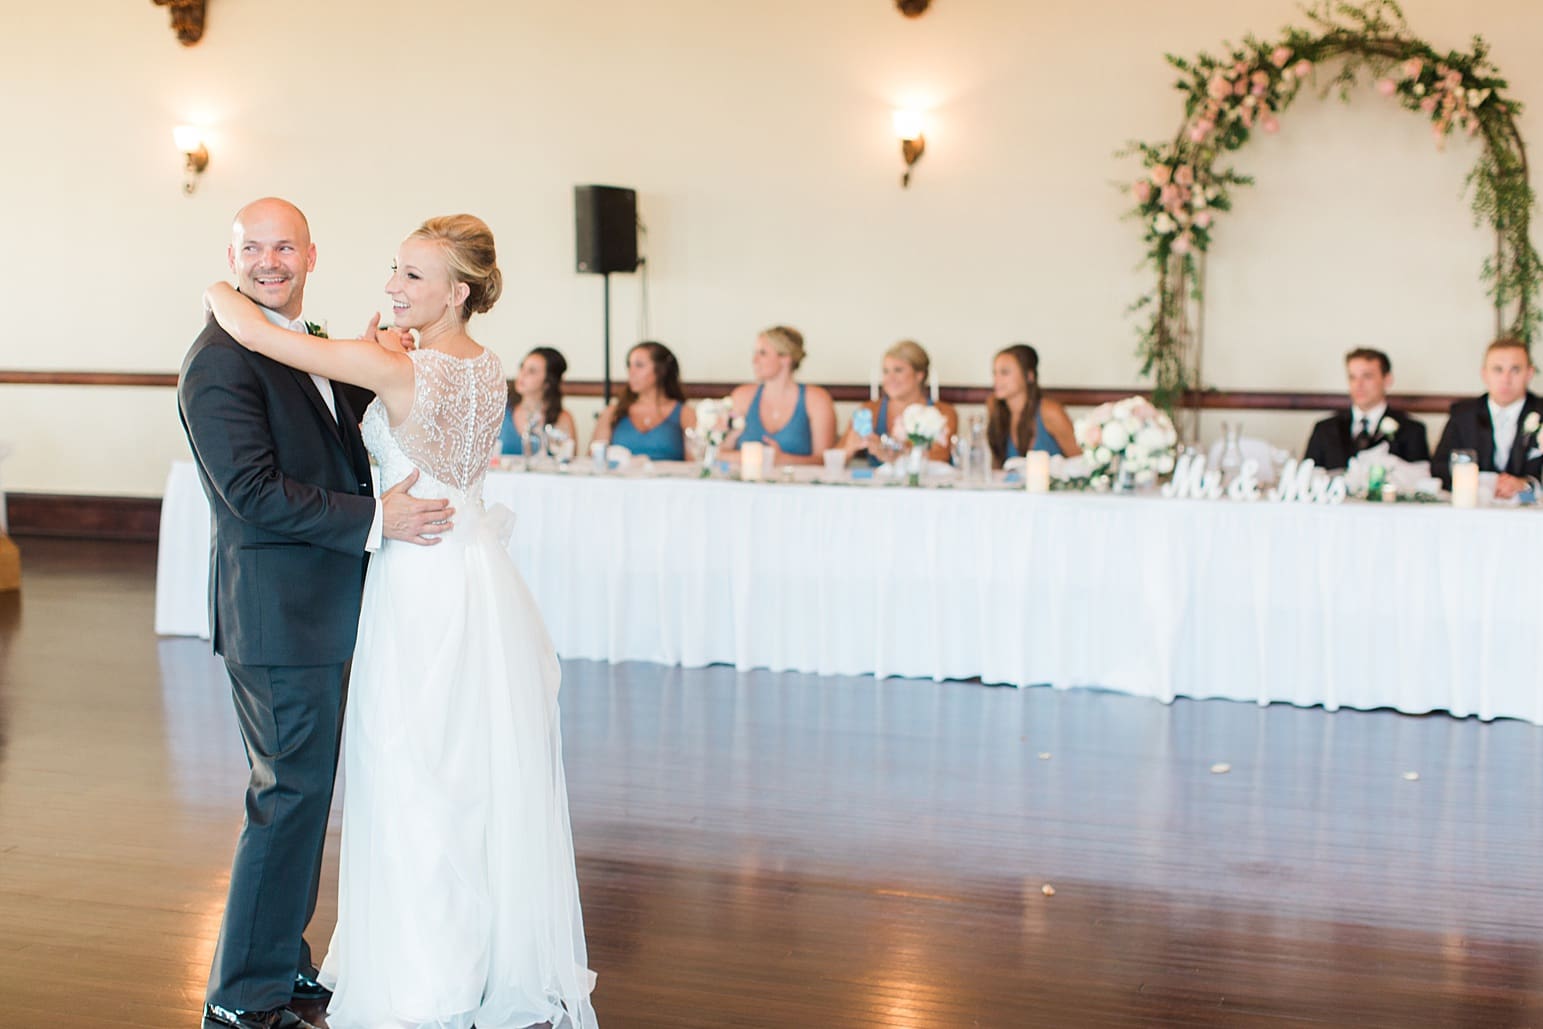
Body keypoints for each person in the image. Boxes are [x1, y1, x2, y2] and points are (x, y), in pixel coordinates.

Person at [204, 214, 598, 1029]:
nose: (392, 285)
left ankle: (404, 965)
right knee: (454, 777)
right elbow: (259, 474)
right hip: (460, 577)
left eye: (413, 276)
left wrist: (220, 289)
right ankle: (262, 985)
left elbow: (259, 329)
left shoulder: (393, 364)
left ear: (457, 292)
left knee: (415, 776)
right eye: (394, 268)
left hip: (418, 584)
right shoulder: (477, 366)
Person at [179, 198, 453, 1029]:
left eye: (284, 246)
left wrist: (365, 373)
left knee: (303, 792)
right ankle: (240, 991)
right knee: (286, 793)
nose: (269, 260)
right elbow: (254, 494)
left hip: (318, 606)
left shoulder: (296, 344)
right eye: (252, 248)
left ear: (310, 255)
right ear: (232, 256)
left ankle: (283, 962)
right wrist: (378, 521)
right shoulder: (221, 362)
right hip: (275, 613)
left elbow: (329, 449)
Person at [1431, 337, 1543, 496]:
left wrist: (1528, 485)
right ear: (1484, 374)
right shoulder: (1463, 414)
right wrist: (1485, 482)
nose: (1506, 379)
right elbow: (1439, 466)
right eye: (1498, 369)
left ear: (1529, 373)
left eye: (1515, 369)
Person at [724, 326, 836, 465]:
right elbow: (720, 453)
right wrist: (763, 459)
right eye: (755, 353)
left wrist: (783, 460)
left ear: (785, 358)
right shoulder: (741, 396)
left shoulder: (817, 399)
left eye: (763, 353)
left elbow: (826, 461)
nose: (754, 360)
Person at [1303, 348, 1430, 470]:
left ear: (1387, 380)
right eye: (1352, 377)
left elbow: (1421, 483)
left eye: (1367, 376)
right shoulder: (1324, 429)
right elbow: (1307, 477)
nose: (1358, 385)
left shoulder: (1412, 430)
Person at [838, 340, 957, 465]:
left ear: (919, 375)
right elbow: (834, 459)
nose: (890, 378)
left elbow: (940, 457)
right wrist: (848, 449)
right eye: (885, 371)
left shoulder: (944, 413)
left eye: (898, 370)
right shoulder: (869, 411)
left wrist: (896, 455)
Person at [592, 341, 696, 460]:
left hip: (668, 478)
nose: (631, 372)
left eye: (639, 365)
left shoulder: (685, 413)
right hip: (622, 478)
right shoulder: (612, 413)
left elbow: (694, 464)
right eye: (629, 365)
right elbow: (595, 460)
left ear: (661, 370)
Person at [985, 343, 1079, 466]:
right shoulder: (994, 406)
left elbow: (1080, 461)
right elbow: (997, 465)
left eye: (1004, 372)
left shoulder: (1050, 412)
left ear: (1029, 376)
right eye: (994, 373)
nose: (997, 379)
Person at [500, 346, 578, 456]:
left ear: (548, 382)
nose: (522, 374)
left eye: (532, 371)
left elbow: (568, 462)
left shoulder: (563, 419)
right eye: (522, 367)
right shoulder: (501, 411)